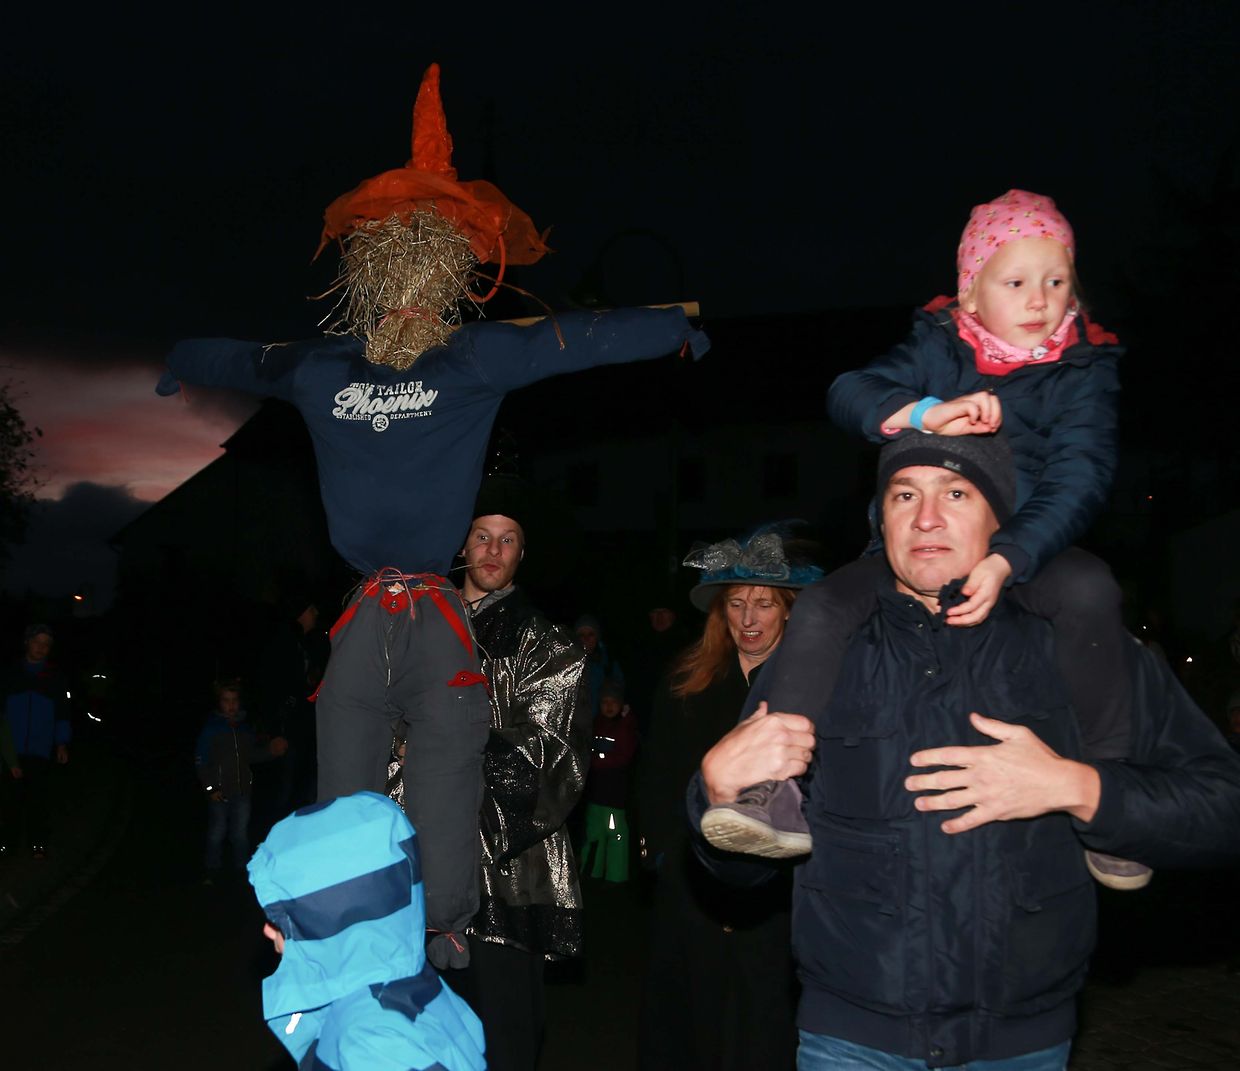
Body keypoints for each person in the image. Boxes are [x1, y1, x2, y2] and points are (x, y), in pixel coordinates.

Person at [157, 63, 707, 968]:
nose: (410, 295)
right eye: (395, 274)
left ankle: (444, 920)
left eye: (427, 274)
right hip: (362, 612)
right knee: (345, 788)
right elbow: (249, 358)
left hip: (436, 617)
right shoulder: (326, 369)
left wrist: (669, 329)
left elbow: (574, 339)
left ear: (450, 278)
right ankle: (344, 931)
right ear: (369, 280)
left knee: (447, 772)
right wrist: (183, 356)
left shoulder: (471, 359)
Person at [695, 434, 1240, 1068]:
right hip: (852, 1040)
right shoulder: (818, 655)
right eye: (904, 495)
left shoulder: (1081, 646)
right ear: (881, 518)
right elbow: (742, 866)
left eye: (956, 493)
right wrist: (714, 795)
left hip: (1021, 1044)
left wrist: (1081, 789)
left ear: (1002, 519)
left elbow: (1223, 807)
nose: (926, 517)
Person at [704, 189, 1144, 889]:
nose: (1040, 300)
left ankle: (1111, 787)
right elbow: (850, 390)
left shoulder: (1083, 367)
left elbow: (1081, 477)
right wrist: (923, 412)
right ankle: (770, 787)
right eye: (1017, 282)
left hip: (1030, 545)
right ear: (970, 292)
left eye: (1057, 281)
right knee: (822, 606)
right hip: (908, 554)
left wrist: (1010, 557)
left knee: (1092, 588)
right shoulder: (940, 342)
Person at [636, 525, 822, 1071]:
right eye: (737, 604)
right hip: (692, 890)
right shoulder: (686, 679)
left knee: (762, 1030)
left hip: (776, 899)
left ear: (788, 611)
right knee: (691, 1026)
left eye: (764, 604)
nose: (748, 618)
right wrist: (665, 855)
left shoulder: (812, 683)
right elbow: (657, 772)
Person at [450, 474, 592, 1071]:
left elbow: (552, 754)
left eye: (507, 540)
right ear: (462, 545)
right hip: (411, 858)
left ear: (522, 553)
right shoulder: (413, 628)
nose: (493, 550)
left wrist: (442, 758)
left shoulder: (546, 644)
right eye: (482, 536)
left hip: (506, 872)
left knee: (502, 1026)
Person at [248, 791, 486, 1071]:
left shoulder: (370, 1043)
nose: (267, 931)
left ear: (331, 924)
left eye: (281, 919)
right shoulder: (407, 982)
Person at [195, 679, 287, 881]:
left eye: (234, 700)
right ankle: (211, 868)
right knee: (217, 832)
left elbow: (251, 756)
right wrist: (211, 788)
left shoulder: (244, 729)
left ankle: (241, 869)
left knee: (240, 834)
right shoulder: (211, 729)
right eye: (226, 700)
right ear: (219, 703)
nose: (231, 705)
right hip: (219, 792)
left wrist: (271, 751)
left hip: (243, 791)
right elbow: (201, 762)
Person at [1, 624, 70, 859]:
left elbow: (62, 711)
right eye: (37, 642)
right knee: (9, 799)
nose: (41, 647)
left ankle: (37, 843)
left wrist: (61, 742)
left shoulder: (55, 677)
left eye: (46, 645)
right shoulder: (10, 674)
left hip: (41, 749)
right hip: (11, 750)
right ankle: (7, 843)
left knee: (38, 799)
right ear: (27, 642)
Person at [578, 678, 638, 883]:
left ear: (621, 704)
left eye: (614, 702)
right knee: (593, 834)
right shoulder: (596, 724)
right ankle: (590, 873)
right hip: (595, 795)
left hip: (615, 798)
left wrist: (596, 761)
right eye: (605, 702)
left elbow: (623, 756)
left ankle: (615, 878)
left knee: (616, 835)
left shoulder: (626, 726)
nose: (609, 706)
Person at [574, 613, 624, 719]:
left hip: (602, 722)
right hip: (574, 722)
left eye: (591, 634)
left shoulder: (608, 662)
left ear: (597, 637)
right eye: (581, 635)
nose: (586, 638)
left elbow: (619, 693)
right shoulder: (567, 662)